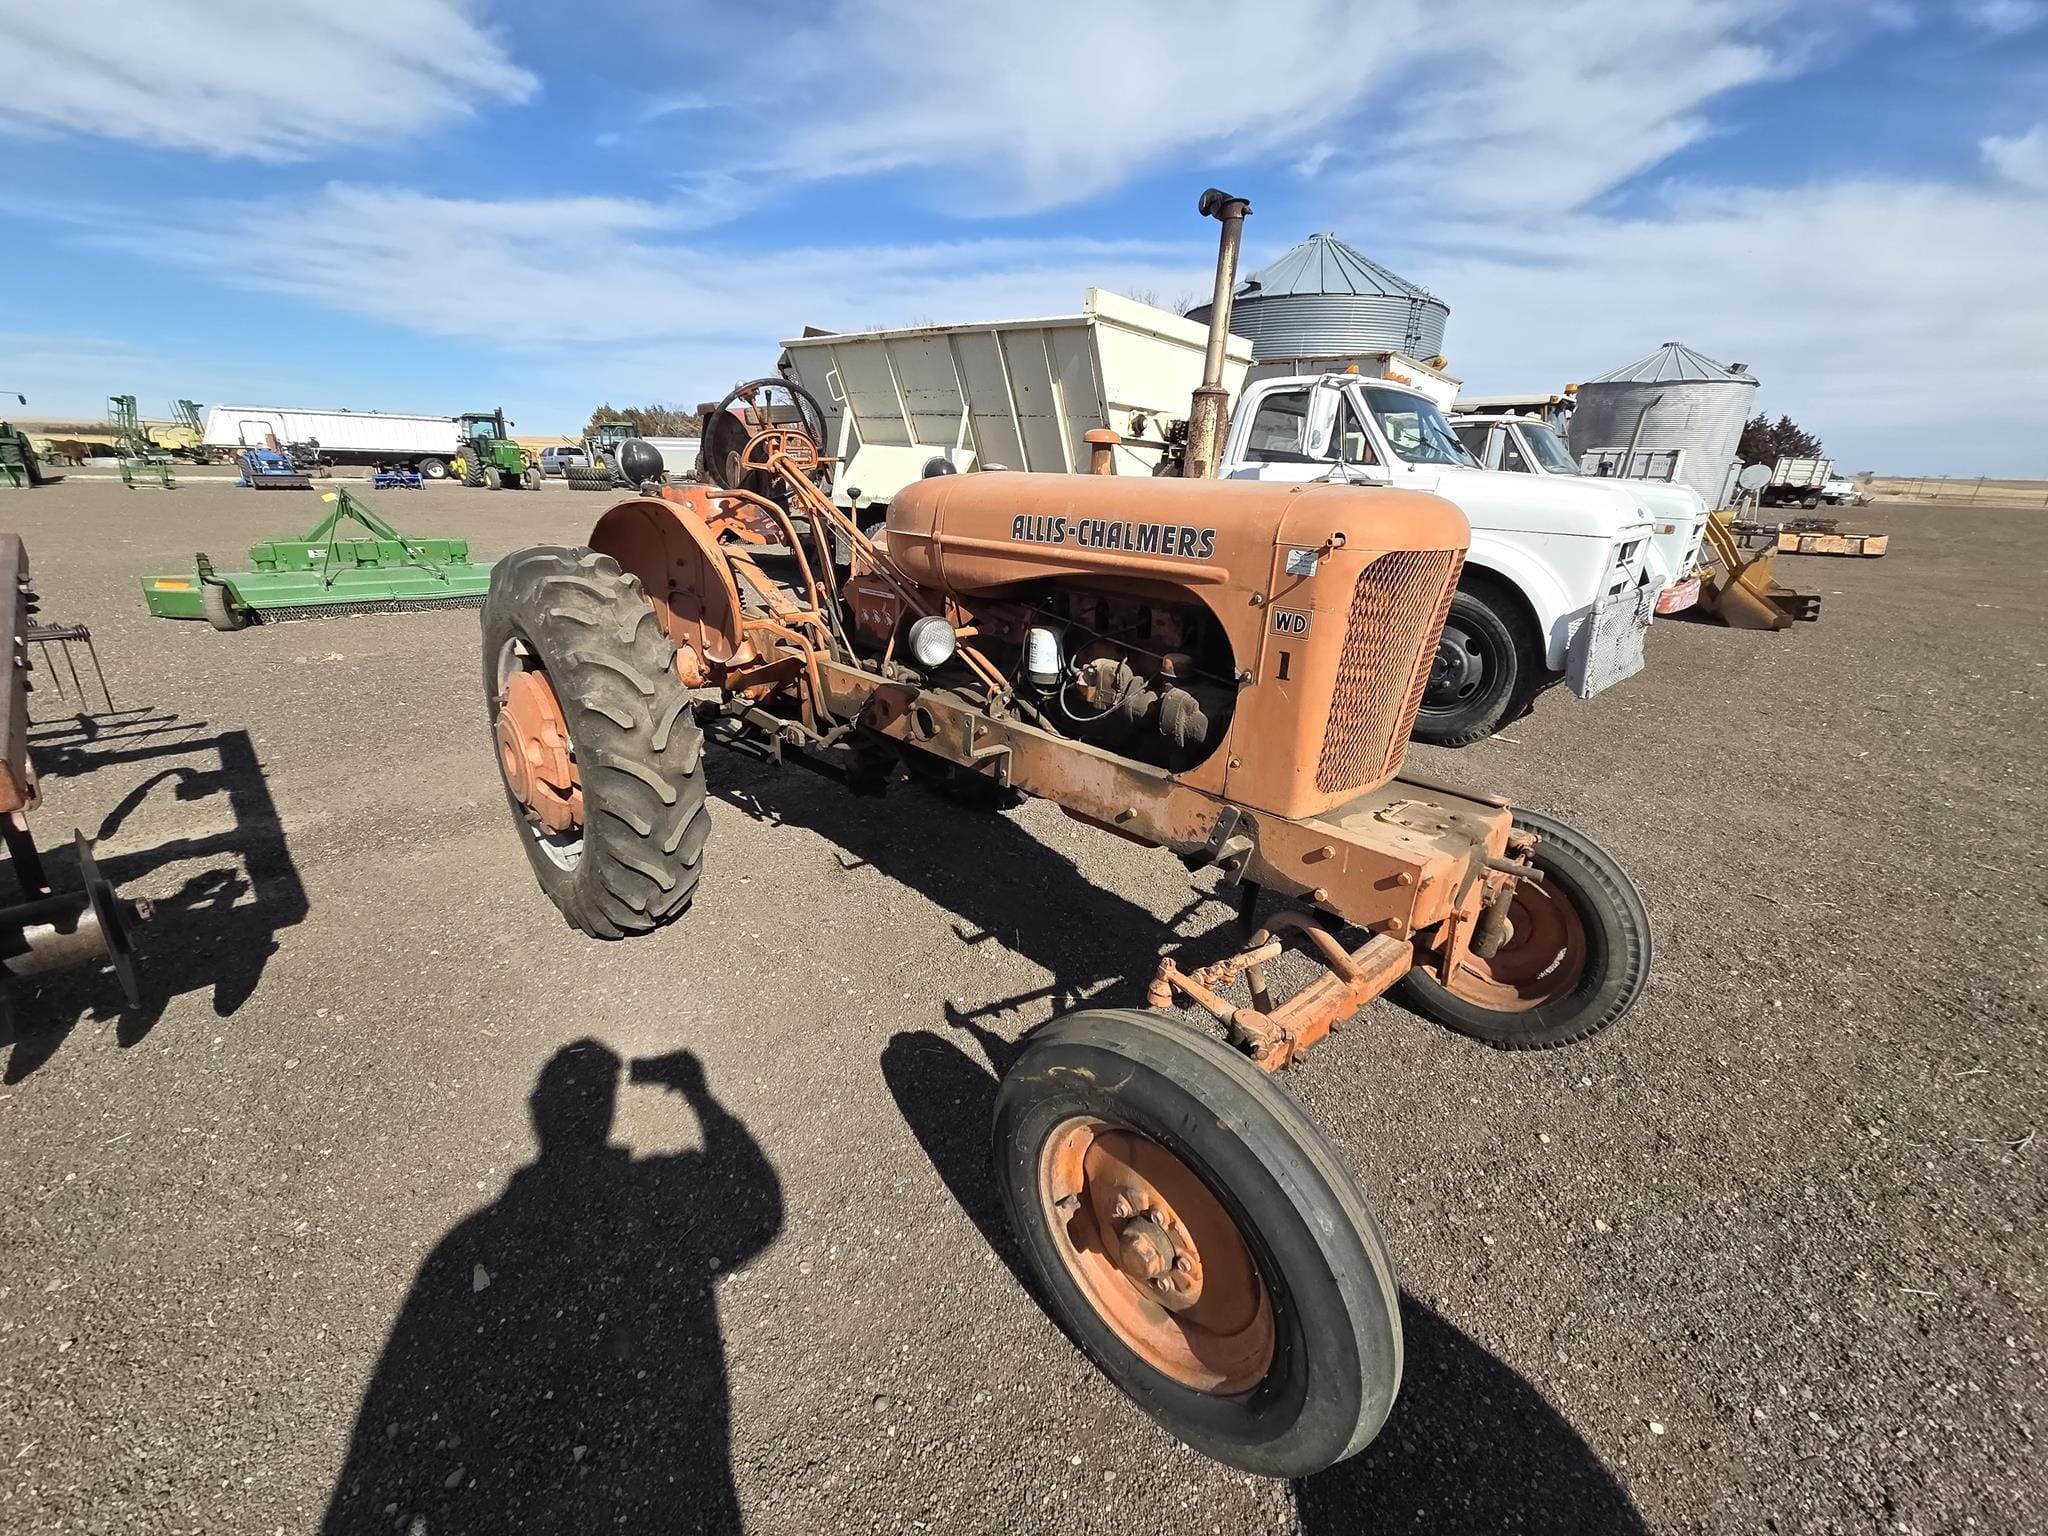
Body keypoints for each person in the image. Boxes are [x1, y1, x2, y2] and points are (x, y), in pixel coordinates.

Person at [322, 1041, 782, 1535]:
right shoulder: (652, 1194)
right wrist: (698, 1095)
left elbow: (393, 1413)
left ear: (536, 1108)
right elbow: (758, 1210)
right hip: (673, 1494)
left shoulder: (471, 1245)